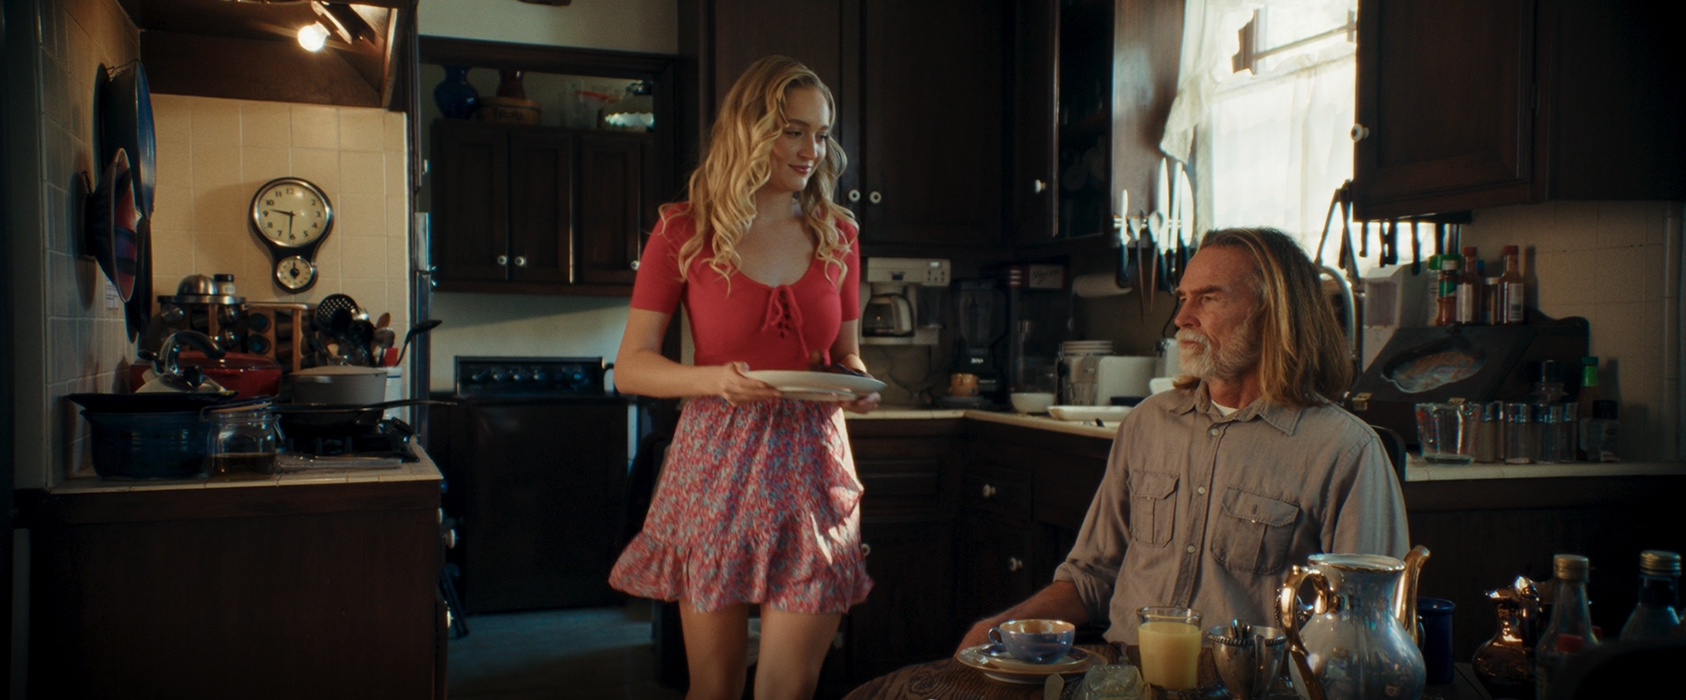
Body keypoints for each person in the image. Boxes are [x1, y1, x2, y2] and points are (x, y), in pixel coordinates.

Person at [959, 227, 1408, 649]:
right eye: (1183, 298)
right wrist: (995, 629)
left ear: (1274, 313)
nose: (1181, 319)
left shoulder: (1345, 451)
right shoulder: (1148, 424)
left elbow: (1366, 632)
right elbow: (1092, 577)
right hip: (1125, 679)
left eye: (1208, 298)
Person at [609, 55, 880, 700]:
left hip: (814, 466)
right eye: (793, 131)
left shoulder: (838, 233)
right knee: (715, 685)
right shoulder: (684, 228)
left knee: (789, 687)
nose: (812, 150)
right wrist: (714, 381)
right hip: (716, 462)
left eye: (821, 134)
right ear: (750, 131)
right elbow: (630, 366)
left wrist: (856, 385)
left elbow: (847, 354)